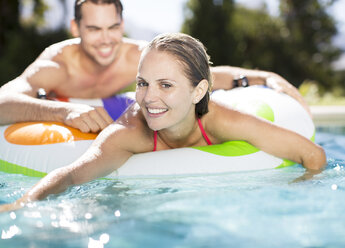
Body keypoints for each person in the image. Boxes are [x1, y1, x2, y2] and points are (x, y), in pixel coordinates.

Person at [0, 32, 326, 212]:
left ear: (199, 91)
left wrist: (290, 200)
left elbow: (314, 156)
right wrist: (21, 204)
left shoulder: (224, 120)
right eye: (142, 83)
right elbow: (71, 175)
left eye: (165, 85)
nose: (149, 97)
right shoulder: (131, 131)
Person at [0, 0, 309, 134]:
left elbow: (195, 76)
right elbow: (3, 101)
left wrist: (261, 76)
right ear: (75, 28)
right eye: (94, 29)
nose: (106, 40)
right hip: (68, 107)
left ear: (122, 25)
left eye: (113, 27)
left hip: (115, 106)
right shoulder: (57, 64)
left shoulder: (138, 55)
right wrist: (64, 112)